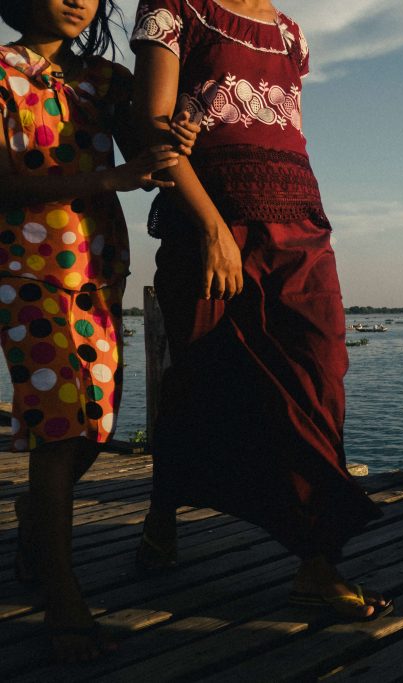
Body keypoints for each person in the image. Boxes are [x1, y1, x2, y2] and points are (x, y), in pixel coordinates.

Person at [129, 0, 392, 620]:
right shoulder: (174, 8)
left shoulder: (290, 34)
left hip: (299, 221)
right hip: (207, 224)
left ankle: (317, 563)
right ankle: (163, 511)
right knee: (200, 375)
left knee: (320, 377)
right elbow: (150, 127)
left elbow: (282, 124)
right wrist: (213, 230)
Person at [0, 0, 197, 661]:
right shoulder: (2, 72)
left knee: (97, 424)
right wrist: (111, 176)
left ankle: (35, 522)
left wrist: (177, 137)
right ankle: (62, 599)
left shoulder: (105, 80)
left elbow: (152, 145)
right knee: (57, 428)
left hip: (100, 267)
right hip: (26, 270)